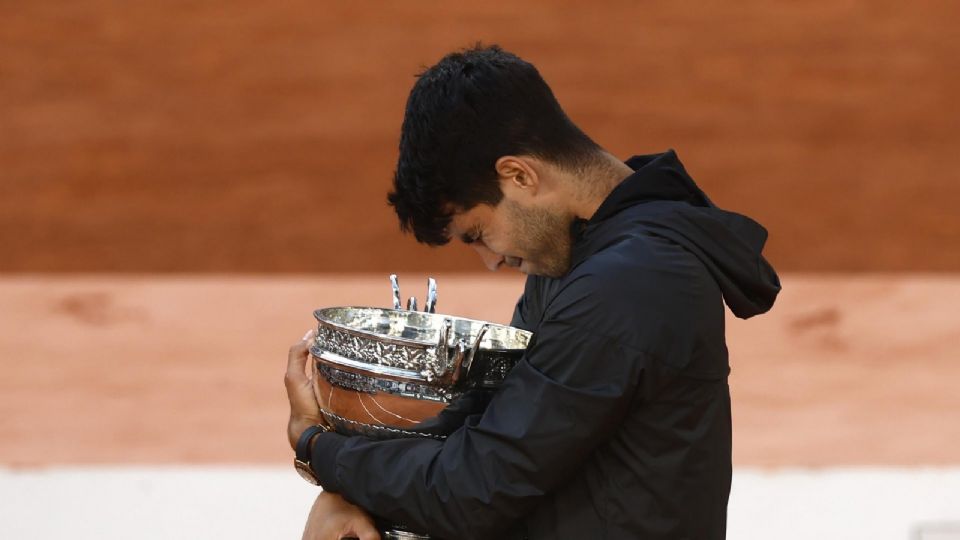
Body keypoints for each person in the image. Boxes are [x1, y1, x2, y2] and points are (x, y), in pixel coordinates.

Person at [285, 44, 780, 539]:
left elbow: (475, 489)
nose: (493, 261)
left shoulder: (629, 285)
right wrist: (345, 487)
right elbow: (484, 428)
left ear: (519, 175)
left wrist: (315, 447)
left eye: (478, 235)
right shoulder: (581, 256)